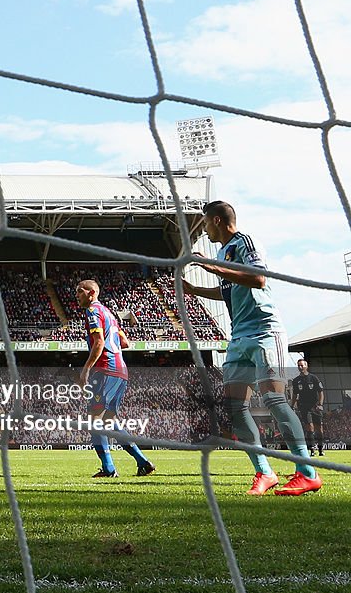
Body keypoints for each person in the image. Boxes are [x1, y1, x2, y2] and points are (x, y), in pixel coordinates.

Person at [182, 200, 320, 495]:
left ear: (217, 221)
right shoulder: (222, 252)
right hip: (239, 336)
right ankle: (264, 473)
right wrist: (196, 290)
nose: (204, 230)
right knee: (235, 407)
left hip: (264, 331)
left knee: (274, 401)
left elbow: (258, 279)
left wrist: (211, 266)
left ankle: (307, 472)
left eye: (205, 223)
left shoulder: (245, 242)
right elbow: (228, 290)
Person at [76, 280, 155, 478]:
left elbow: (99, 341)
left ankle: (108, 468)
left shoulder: (93, 311)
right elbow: (125, 342)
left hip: (105, 369)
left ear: (91, 293)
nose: (76, 295)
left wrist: (86, 368)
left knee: (94, 421)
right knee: (109, 422)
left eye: (80, 292)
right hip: (121, 371)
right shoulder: (109, 314)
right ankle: (142, 462)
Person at [290, 358, 325, 457]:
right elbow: (294, 395)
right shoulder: (296, 381)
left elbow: (321, 392)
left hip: (315, 407)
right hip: (304, 407)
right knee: (310, 428)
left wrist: (320, 404)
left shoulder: (313, 378)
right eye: (299, 365)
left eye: (302, 365)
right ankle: (312, 449)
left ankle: (321, 449)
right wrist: (291, 406)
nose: (300, 367)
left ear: (306, 366)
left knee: (319, 430)